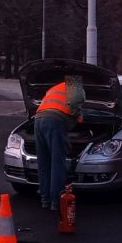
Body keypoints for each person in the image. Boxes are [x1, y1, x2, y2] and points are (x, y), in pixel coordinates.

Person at [35, 74, 84, 209]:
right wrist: (79, 118)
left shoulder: (55, 88)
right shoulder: (76, 88)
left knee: (44, 162)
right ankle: (57, 202)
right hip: (54, 122)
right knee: (58, 163)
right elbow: (75, 110)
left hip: (38, 120)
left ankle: (45, 200)